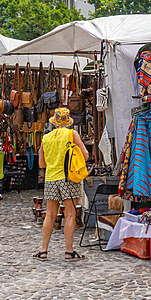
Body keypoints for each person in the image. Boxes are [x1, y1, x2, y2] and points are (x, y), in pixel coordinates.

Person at [35, 108, 89, 261]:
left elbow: (41, 163)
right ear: (68, 121)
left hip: (51, 179)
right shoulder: (72, 134)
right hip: (68, 178)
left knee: (50, 215)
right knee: (70, 214)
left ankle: (43, 250)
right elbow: (85, 155)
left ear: (55, 122)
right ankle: (68, 250)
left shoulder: (46, 138)